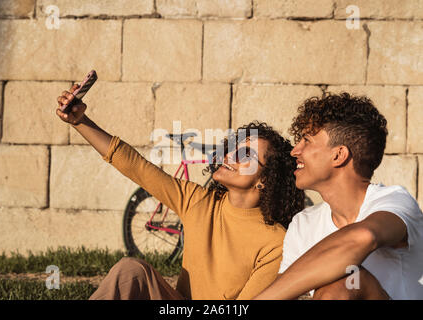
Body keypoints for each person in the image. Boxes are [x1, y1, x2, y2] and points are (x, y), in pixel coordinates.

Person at [55, 84, 305, 300]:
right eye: (235, 147)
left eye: (247, 155)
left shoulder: (276, 243)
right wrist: (80, 121)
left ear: (266, 179)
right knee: (131, 270)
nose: (232, 155)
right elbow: (136, 166)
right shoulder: (199, 202)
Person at [254, 92, 423, 300]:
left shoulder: (395, 201)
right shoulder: (303, 223)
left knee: (348, 278)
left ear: (339, 155)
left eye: (306, 140)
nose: (294, 151)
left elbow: (363, 237)